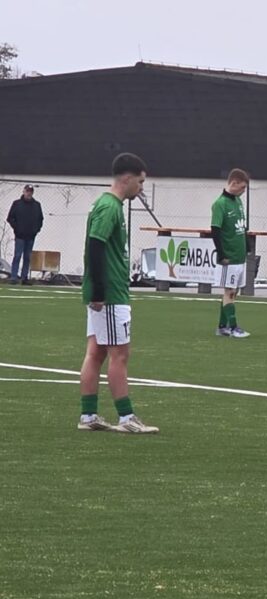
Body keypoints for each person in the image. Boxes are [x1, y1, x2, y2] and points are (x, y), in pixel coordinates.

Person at [78, 153, 158, 433]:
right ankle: (126, 418)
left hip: (106, 292)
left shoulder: (108, 205)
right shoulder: (110, 207)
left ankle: (88, 416)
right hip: (110, 294)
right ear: (127, 178)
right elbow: (96, 246)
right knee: (119, 355)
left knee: (96, 353)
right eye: (140, 181)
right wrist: (100, 290)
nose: (141, 187)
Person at [210, 168, 251, 338]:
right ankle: (233, 327)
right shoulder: (220, 204)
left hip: (239, 255)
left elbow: (242, 226)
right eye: (242, 188)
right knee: (230, 291)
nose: (243, 192)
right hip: (229, 256)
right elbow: (215, 230)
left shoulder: (238, 202)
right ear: (233, 183)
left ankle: (222, 326)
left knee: (234, 292)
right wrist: (221, 254)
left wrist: (247, 245)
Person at [6, 184, 44, 285]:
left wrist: (36, 230)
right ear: (24, 191)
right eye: (27, 191)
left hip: (31, 236)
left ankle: (24, 277)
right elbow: (10, 218)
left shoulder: (37, 205)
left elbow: (40, 219)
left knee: (27, 257)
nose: (29, 193)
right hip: (19, 236)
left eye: (30, 191)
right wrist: (17, 228)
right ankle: (14, 277)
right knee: (17, 255)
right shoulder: (17, 204)